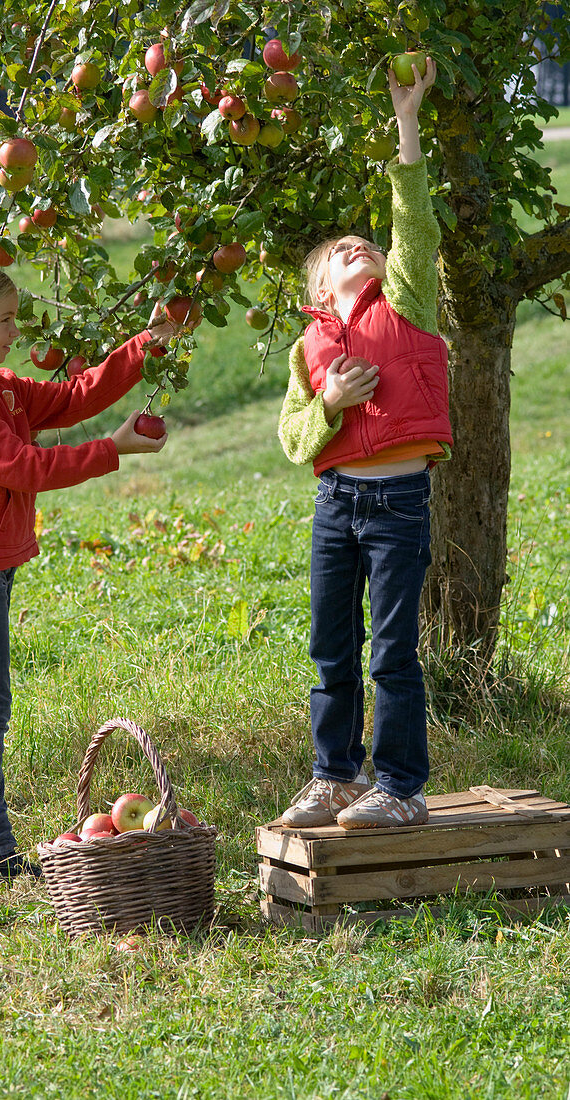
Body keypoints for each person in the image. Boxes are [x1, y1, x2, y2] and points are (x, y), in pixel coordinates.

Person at [0, 256, 185, 879]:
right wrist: (112, 449)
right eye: (5, 320)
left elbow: (77, 396)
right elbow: (19, 466)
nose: (16, 331)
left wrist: (147, 342)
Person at [278, 58, 452, 831]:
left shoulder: (407, 302)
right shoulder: (308, 346)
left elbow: (413, 219)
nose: (358, 245)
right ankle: (335, 778)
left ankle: (402, 789)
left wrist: (406, 120)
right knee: (329, 648)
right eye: (340, 249)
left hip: (397, 501)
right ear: (319, 290)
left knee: (390, 653)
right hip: (335, 499)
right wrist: (329, 402)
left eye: (364, 243)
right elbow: (291, 437)